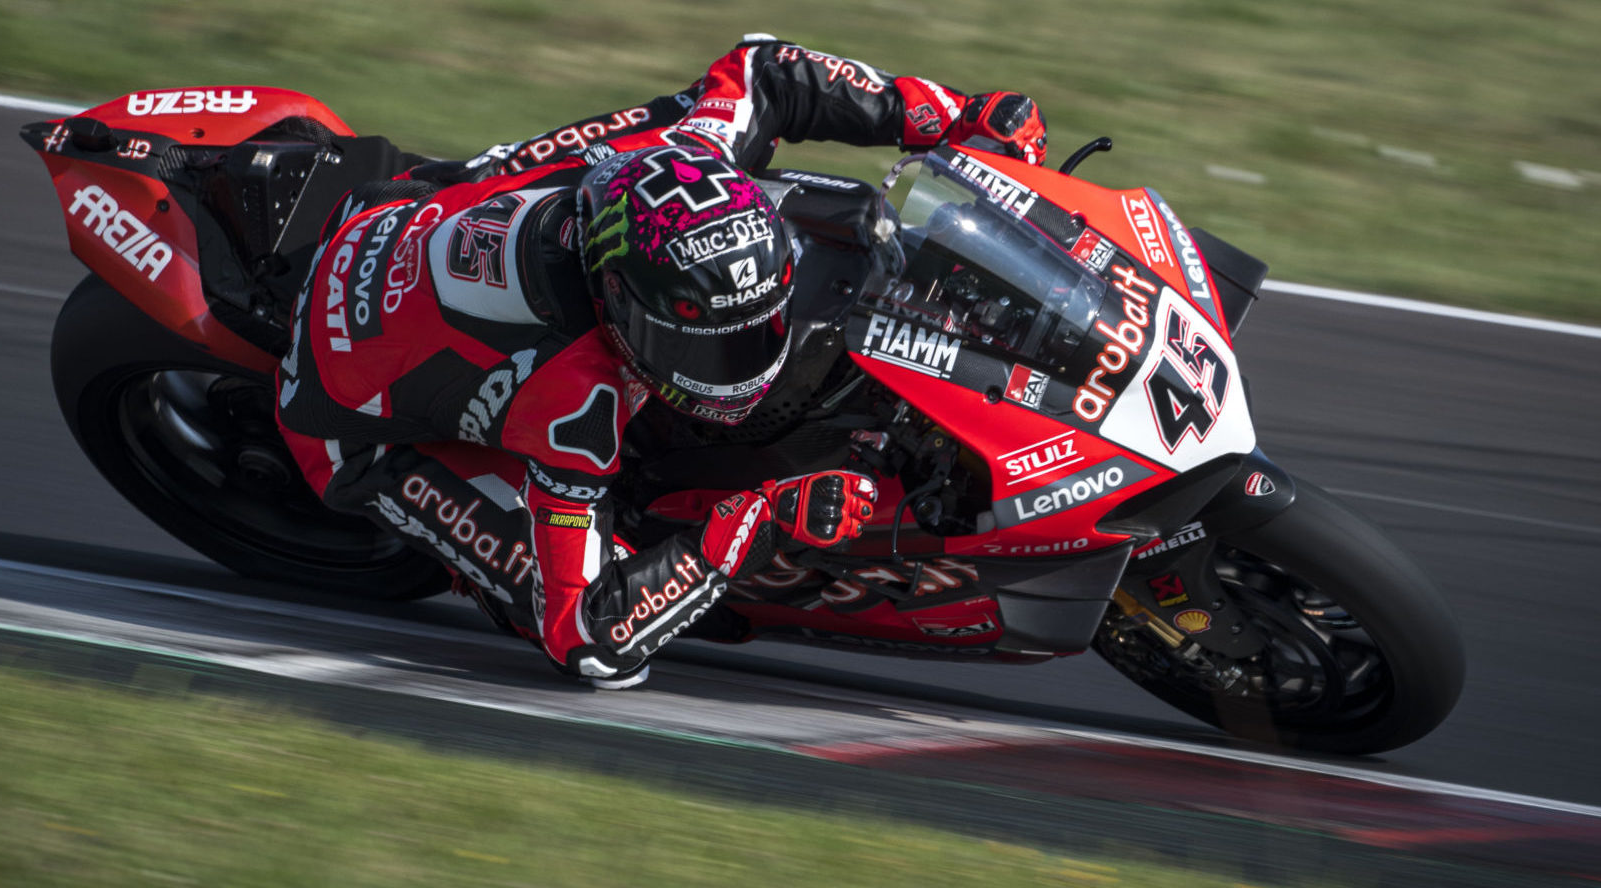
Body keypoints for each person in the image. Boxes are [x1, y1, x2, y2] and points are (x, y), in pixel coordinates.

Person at [274, 35, 1048, 688]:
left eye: (752, 328)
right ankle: (471, 552)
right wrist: (752, 521)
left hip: (406, 205)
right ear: (619, 303)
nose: (736, 364)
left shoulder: (688, 153)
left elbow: (762, 66)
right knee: (584, 618)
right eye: (698, 343)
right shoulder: (575, 405)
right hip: (350, 425)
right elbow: (585, 638)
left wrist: (948, 114)